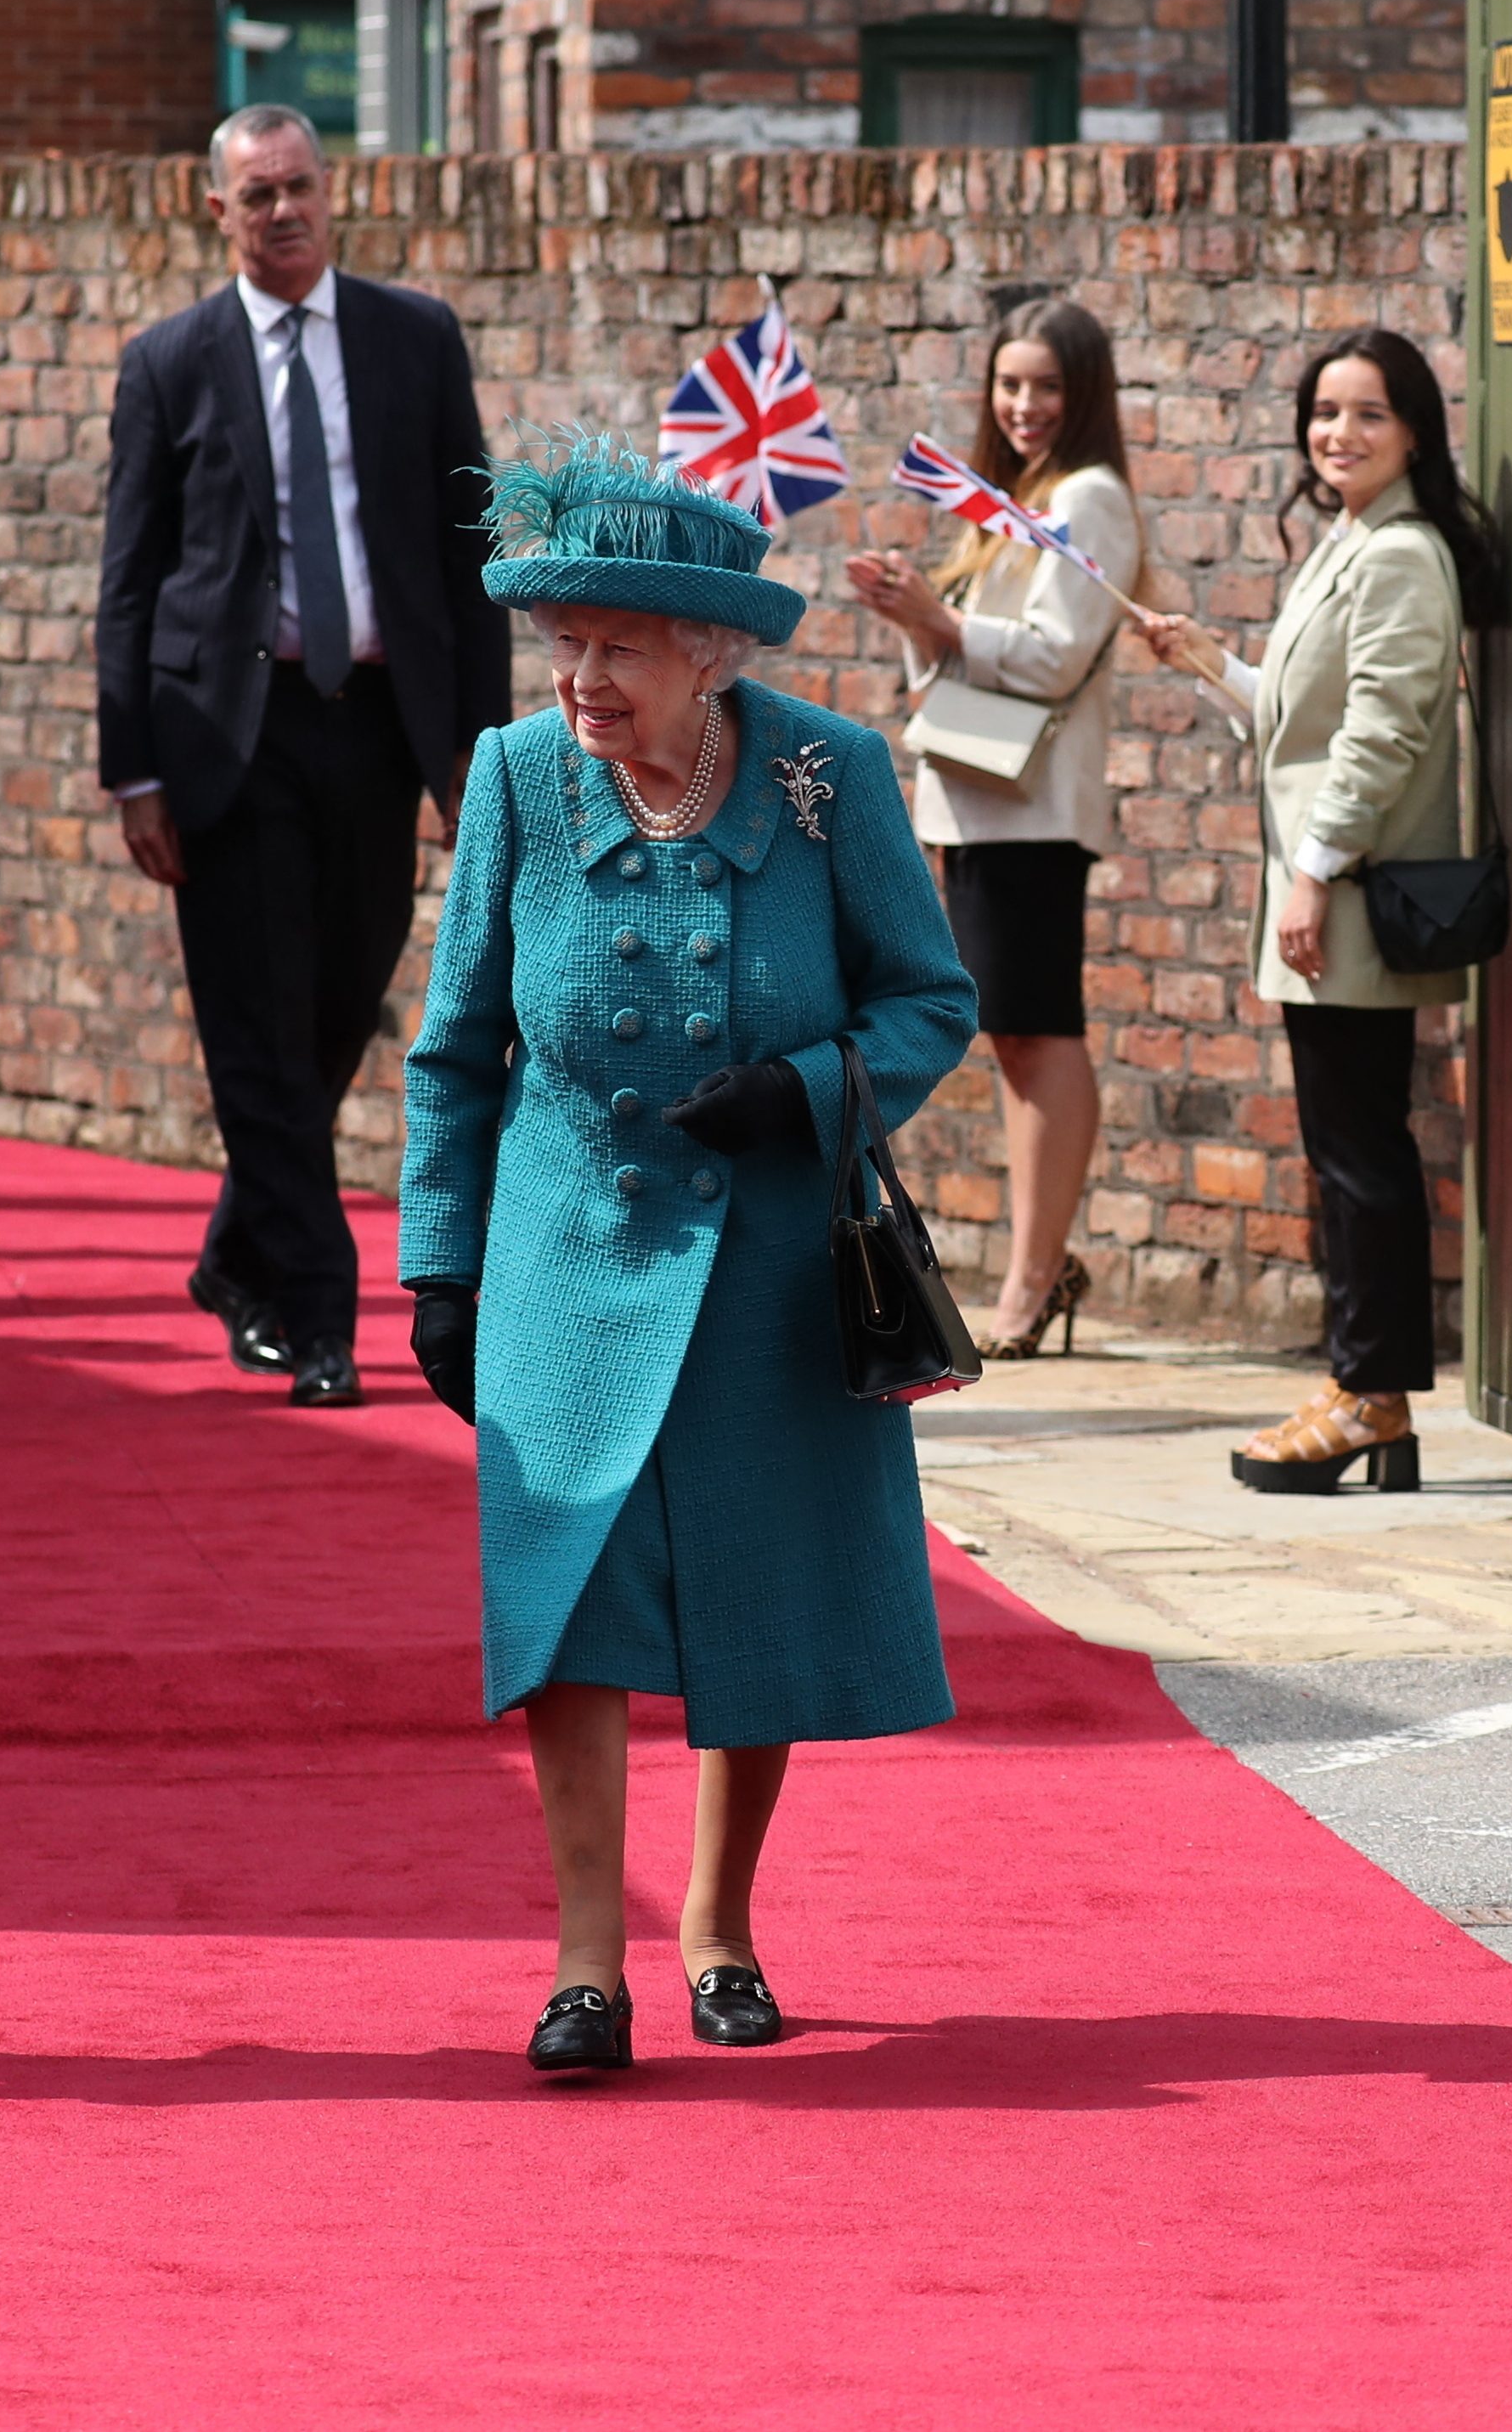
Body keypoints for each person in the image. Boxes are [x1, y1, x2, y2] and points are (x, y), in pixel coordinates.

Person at [397, 430, 980, 2075]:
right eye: (567, 641)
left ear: (708, 653)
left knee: (756, 1583)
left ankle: (720, 1924)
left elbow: (933, 1003)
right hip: (566, 1249)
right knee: (572, 1596)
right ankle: (592, 1957)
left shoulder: (825, 781)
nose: (584, 676)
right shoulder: (518, 779)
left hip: (772, 1261)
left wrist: (802, 1094)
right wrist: (439, 1265)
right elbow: (455, 1051)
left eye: (622, 647)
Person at [99, 101, 504, 1405]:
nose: (281, 211)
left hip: (379, 726)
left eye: (298, 188)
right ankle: (320, 1316)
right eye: (254, 194)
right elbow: (130, 577)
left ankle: (236, 1248)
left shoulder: (414, 338)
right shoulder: (171, 361)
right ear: (216, 210)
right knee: (256, 1032)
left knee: (340, 1004)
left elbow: (468, 549)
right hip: (228, 734)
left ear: (333, 196)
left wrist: (476, 760)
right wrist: (134, 771)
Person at [1131, 326, 1499, 1494]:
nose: (1337, 433)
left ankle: (1371, 1396)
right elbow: (1300, 718)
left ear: (1414, 434)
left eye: (1367, 414)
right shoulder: (1350, 539)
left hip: (1344, 893)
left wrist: (1314, 871)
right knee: (1347, 1146)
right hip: (1323, 888)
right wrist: (1206, 660)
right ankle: (1363, 1391)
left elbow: (1386, 731)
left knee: (1360, 1153)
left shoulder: (1400, 554)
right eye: (1325, 412)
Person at [837, 294, 1139, 1357]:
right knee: (1011, 1036)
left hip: (1037, 804)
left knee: (1039, 1029)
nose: (1023, 405)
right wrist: (916, 620)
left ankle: (1034, 1277)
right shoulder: (1007, 496)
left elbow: (1056, 653)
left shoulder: (1091, 497)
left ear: (1085, 393)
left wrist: (941, 619)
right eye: (1010, 384)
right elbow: (961, 657)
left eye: (1047, 386)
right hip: (977, 790)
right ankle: (1035, 1267)